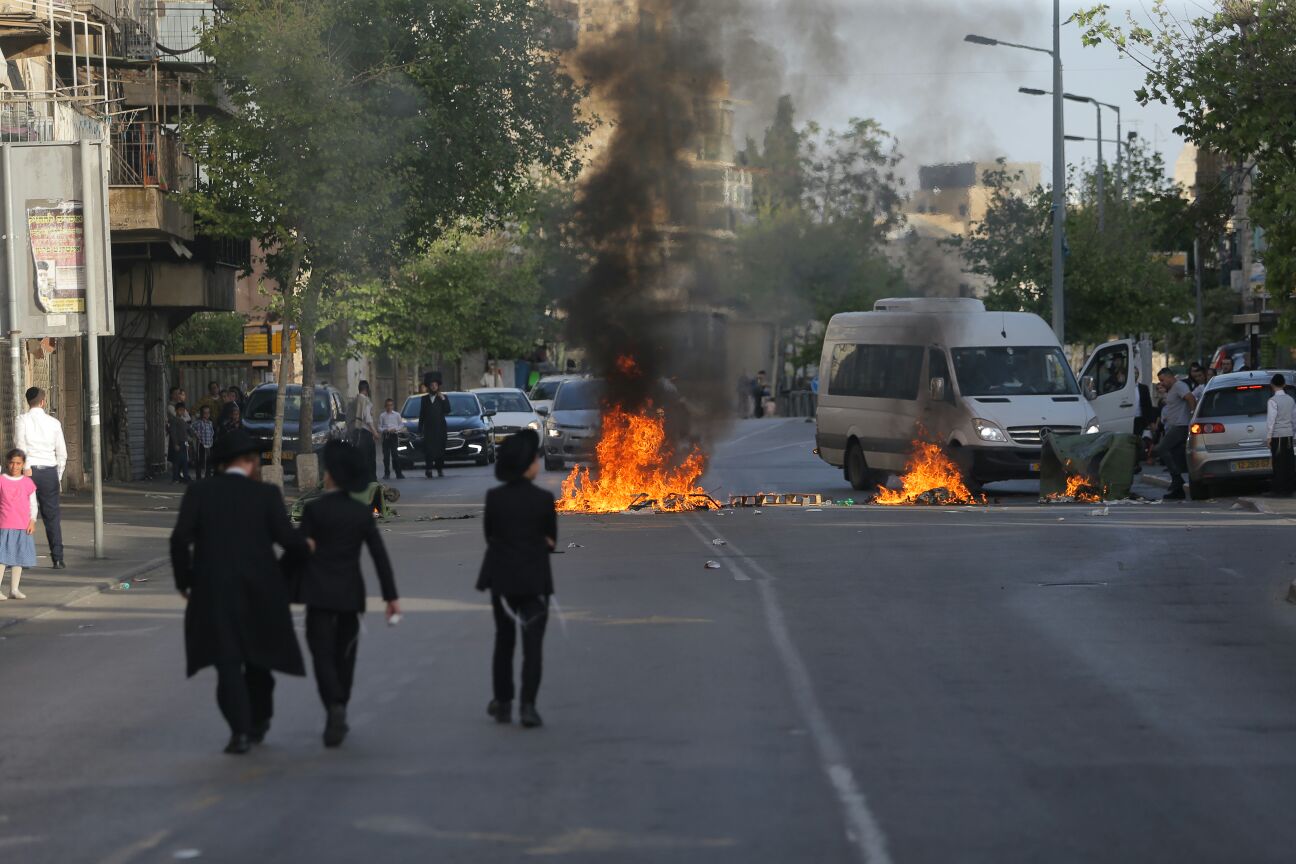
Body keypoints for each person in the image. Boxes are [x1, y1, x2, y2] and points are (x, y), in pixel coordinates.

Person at [169, 429, 313, 755]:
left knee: (227, 663)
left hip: (212, 591)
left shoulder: (199, 492)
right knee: (259, 660)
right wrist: (291, 564)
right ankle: (259, 720)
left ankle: (240, 732)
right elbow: (289, 542)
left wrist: (186, 581)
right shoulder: (266, 495)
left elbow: (179, 540)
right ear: (250, 463)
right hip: (261, 592)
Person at [298, 441, 400, 747]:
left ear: (330, 477)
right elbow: (379, 556)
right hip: (350, 596)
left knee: (321, 654)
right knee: (345, 653)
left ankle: (333, 705)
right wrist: (390, 597)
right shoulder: (361, 513)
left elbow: (297, 550)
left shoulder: (313, 511)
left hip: (317, 596)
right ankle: (340, 701)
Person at [476, 430, 556, 728]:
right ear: (527, 465)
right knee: (532, 646)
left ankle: (504, 702)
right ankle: (528, 706)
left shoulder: (494, 498)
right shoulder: (544, 499)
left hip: (503, 581)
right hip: (535, 583)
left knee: (504, 641)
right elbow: (551, 541)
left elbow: (490, 536)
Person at [14, 387, 66, 569]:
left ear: (28, 402)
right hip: (49, 472)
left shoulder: (22, 420)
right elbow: (62, 454)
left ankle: (21, 558)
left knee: (23, 514)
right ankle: (58, 558)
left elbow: (20, 445)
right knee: (52, 516)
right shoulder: (54, 423)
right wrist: (57, 475)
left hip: (29, 472)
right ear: (43, 402)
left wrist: (26, 468)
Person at [0, 449, 37, 600]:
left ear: (23, 465)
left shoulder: (28, 482)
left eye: (18, 463)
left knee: (18, 558)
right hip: (4, 525)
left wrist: (32, 520)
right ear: (7, 463)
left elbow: (33, 504)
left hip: (22, 525)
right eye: (12, 463)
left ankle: (14, 589)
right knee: (2, 558)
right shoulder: (1, 480)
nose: (14, 466)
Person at [1155, 368, 1197, 500]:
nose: (1161, 383)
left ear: (1169, 377)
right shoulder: (1172, 389)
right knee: (1174, 454)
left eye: (1162, 380)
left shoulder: (1179, 386)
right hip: (1174, 426)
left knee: (1161, 448)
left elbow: (1190, 398)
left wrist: (1192, 417)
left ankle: (1177, 478)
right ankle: (1178, 491)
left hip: (1181, 426)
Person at [1266, 374, 1296, 497]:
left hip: (1277, 436)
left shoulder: (1272, 401)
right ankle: (1290, 488)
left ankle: (1279, 489)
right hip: (1288, 434)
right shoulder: (1291, 399)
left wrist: (1269, 437)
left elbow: (1271, 420)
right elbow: (1294, 419)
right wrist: (1294, 434)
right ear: (1284, 384)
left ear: (1272, 385)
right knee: (1289, 462)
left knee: (1278, 462)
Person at [418, 373, 450, 478]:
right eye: (432, 385)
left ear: (438, 386)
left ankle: (440, 469)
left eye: (435, 385)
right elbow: (422, 414)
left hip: (440, 429)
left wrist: (443, 400)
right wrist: (420, 428)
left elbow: (448, 410)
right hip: (429, 429)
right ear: (429, 387)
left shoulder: (443, 397)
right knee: (429, 450)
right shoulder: (424, 399)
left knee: (440, 450)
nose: (433, 387)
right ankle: (429, 469)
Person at [347, 380, 379, 484]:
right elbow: (368, 417)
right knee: (369, 458)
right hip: (365, 432)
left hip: (356, 432)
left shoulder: (354, 400)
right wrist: (374, 432)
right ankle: (371, 480)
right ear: (367, 389)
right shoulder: (365, 400)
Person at [378, 398, 405, 480]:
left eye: (391, 405)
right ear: (385, 406)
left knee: (395, 455)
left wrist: (395, 429)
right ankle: (386, 473)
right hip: (386, 436)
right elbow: (379, 426)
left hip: (394, 436)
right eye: (387, 405)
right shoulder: (382, 416)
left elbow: (401, 425)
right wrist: (384, 430)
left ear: (393, 406)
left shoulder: (397, 415)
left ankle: (398, 473)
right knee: (386, 456)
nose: (389, 407)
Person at [169, 402, 193, 484]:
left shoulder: (183, 420)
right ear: (176, 410)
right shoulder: (174, 420)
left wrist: (191, 437)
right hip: (178, 443)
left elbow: (188, 429)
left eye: (183, 410)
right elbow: (173, 433)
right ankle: (175, 478)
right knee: (177, 462)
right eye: (180, 410)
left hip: (184, 443)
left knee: (185, 461)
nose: (181, 412)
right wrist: (175, 444)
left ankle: (185, 477)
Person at [193, 405, 216, 478]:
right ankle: (198, 477)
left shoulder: (210, 423)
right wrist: (196, 434)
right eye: (205, 413)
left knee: (208, 461)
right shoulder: (198, 422)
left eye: (208, 413)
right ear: (201, 413)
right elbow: (191, 427)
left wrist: (211, 440)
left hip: (208, 444)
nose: (207, 414)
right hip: (201, 444)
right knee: (200, 460)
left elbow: (212, 432)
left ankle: (207, 476)